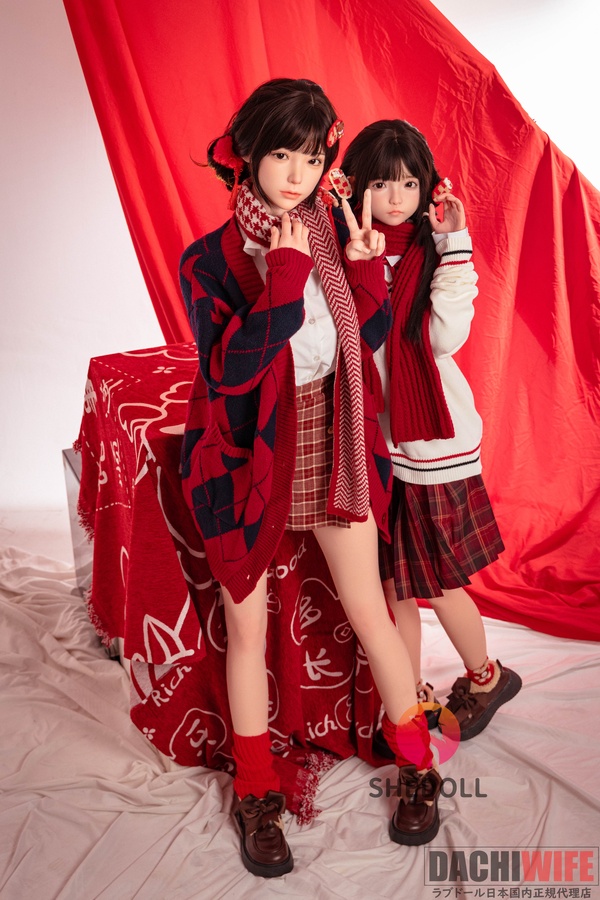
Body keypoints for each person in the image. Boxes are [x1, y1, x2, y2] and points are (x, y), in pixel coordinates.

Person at [179, 82, 442, 878]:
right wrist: (285, 279)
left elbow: (361, 339)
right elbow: (227, 372)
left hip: (333, 437)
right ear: (247, 155)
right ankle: (257, 793)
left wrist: (364, 276)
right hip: (245, 457)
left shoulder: (332, 229)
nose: (297, 175)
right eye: (280, 155)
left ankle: (418, 765)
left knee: (370, 614)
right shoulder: (210, 260)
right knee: (247, 629)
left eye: (310, 156)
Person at [340, 119, 521, 755]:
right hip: (375, 445)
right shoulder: (343, 248)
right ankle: (409, 696)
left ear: (427, 187)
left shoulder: (438, 251)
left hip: (432, 448)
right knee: (392, 585)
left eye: (410, 183)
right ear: (355, 186)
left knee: (438, 583)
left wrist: (456, 246)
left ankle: (487, 678)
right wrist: (357, 263)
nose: (396, 198)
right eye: (381, 183)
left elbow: (441, 339)